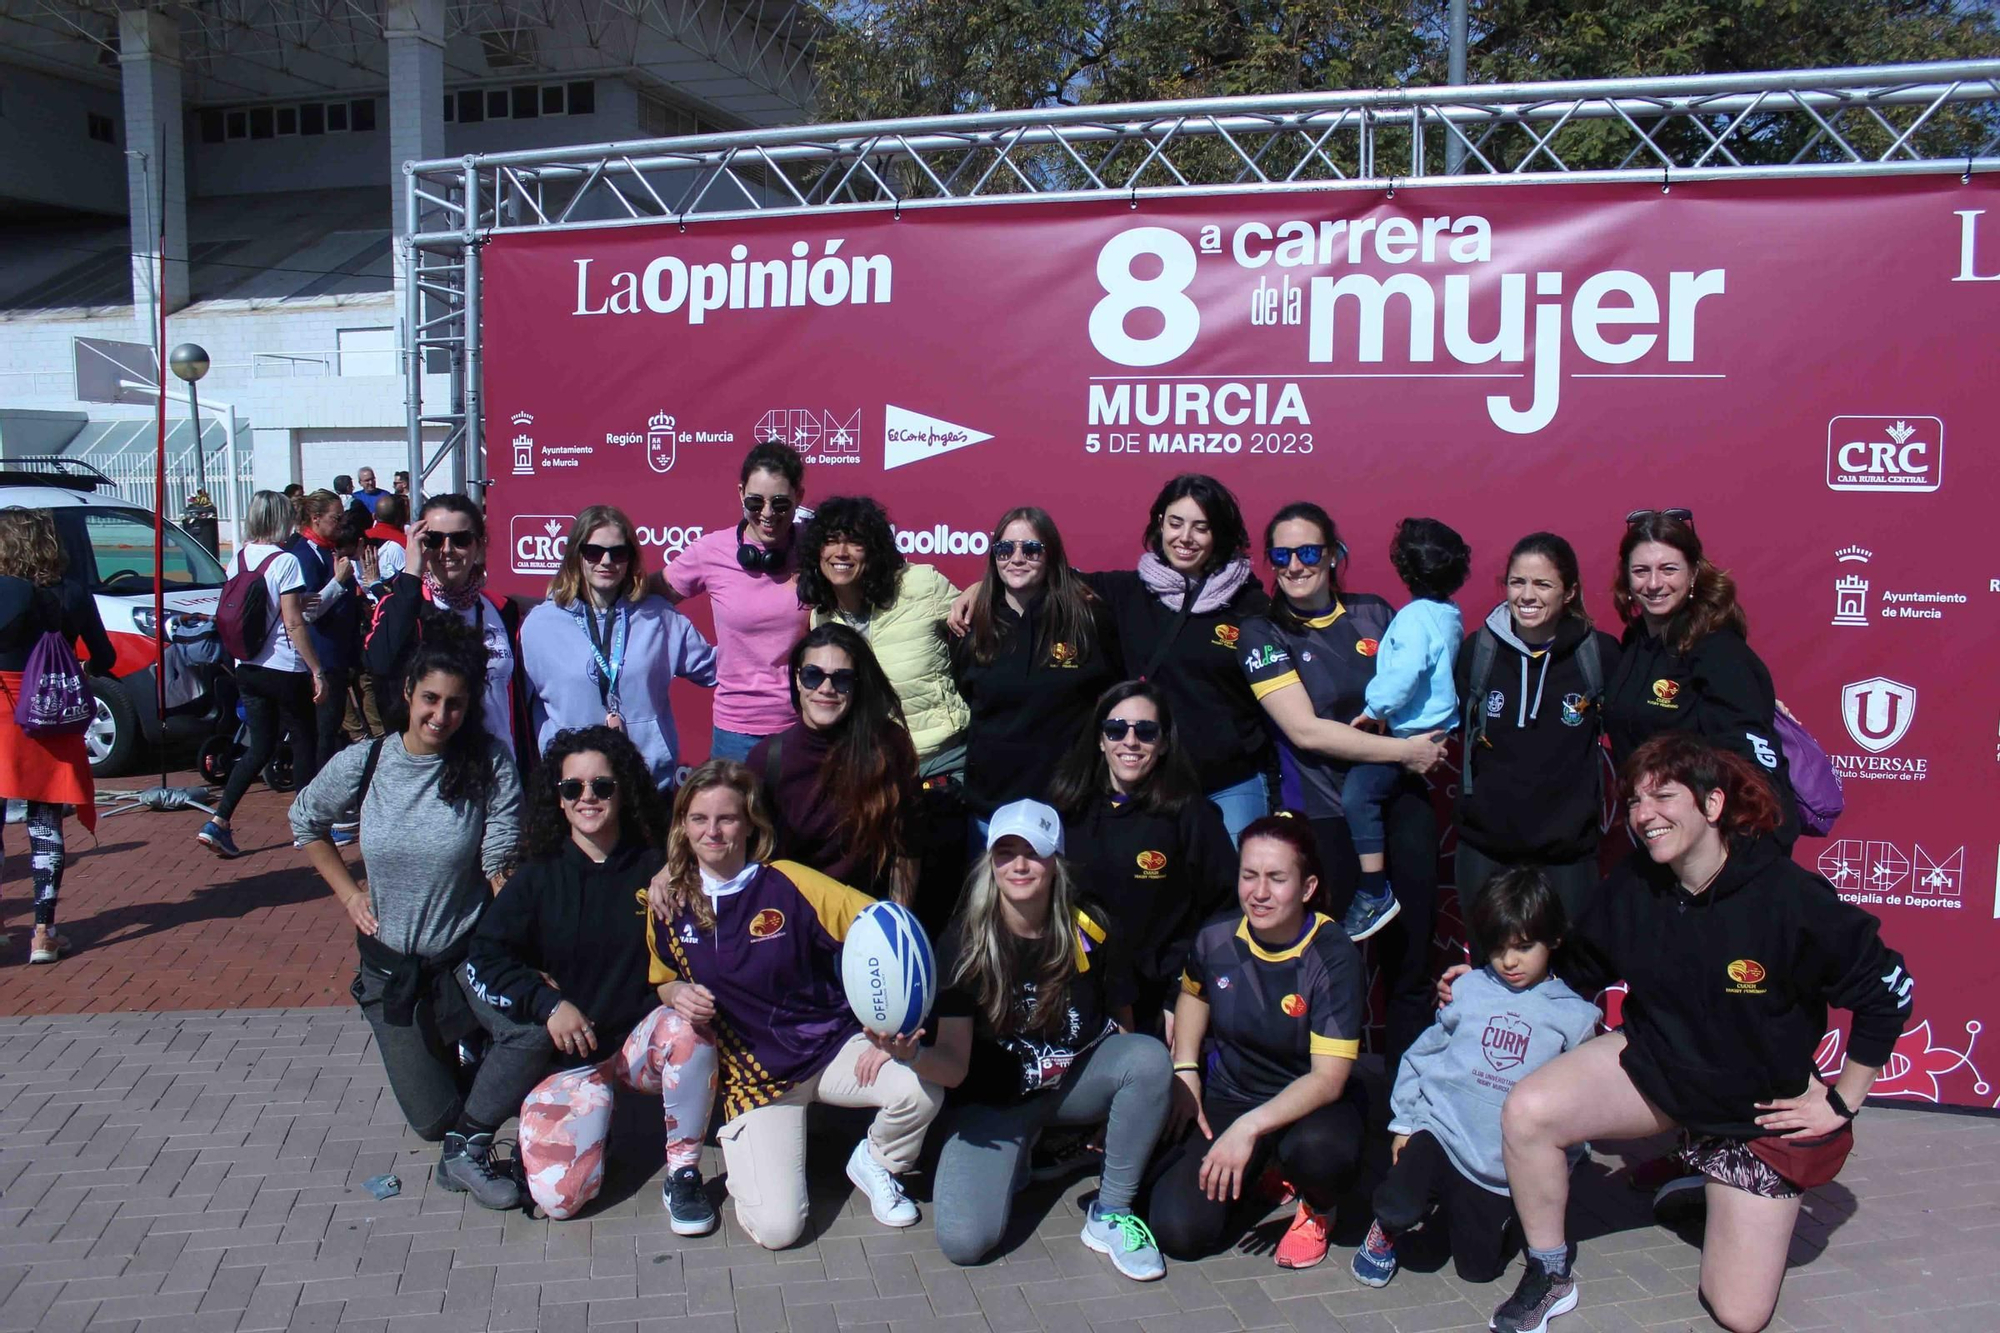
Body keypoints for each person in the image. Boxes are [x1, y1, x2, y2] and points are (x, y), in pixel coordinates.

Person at [1456, 734, 1913, 1333]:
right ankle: (1549, 1272)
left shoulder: (1788, 898)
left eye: (1663, 797)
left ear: (1713, 805)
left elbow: (1887, 989)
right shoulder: (1634, 884)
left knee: (1739, 1314)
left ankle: (1706, 1177)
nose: (1644, 815)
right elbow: (1574, 969)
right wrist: (1485, 981)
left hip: (1750, 1115)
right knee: (1529, 1112)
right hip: (1659, 1070)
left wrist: (1841, 1100)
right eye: (1635, 802)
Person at [642, 760, 944, 1250]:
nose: (713, 831)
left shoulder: (787, 882)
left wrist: (886, 1026)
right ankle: (754, 1148)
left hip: (831, 1051)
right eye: (699, 819)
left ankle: (877, 1160)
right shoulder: (666, 904)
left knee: (921, 1088)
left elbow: (885, 927)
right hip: (756, 1081)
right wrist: (676, 993)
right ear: (682, 825)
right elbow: (662, 977)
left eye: (727, 818)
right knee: (780, 1231)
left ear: (750, 824)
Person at [289, 616, 523, 1201]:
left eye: (455, 705)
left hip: (463, 954)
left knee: (531, 1037)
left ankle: (477, 1053)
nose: (440, 716)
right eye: (430, 700)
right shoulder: (368, 762)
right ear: (408, 693)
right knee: (430, 1120)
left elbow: (500, 864)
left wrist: (523, 959)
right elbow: (305, 821)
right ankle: (460, 1061)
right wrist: (349, 893)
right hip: (392, 969)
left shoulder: (487, 764)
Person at [460, 727, 720, 1227]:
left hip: (639, 1043)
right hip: (572, 1059)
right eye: (572, 788)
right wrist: (545, 1004)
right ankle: (580, 1138)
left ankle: (683, 1172)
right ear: (557, 801)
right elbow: (484, 956)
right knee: (561, 1202)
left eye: (602, 786)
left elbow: (725, 865)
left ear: (622, 791)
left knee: (689, 1027)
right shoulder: (537, 876)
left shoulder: (656, 868)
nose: (587, 798)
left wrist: (676, 866)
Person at [1234, 503, 1446, 1068]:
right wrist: (1406, 751)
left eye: (1309, 551)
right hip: (1323, 822)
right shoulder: (1262, 629)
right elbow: (1306, 731)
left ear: (1334, 555)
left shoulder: (1376, 612)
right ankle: (1326, 1111)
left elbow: (1427, 693)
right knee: (1327, 976)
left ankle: (1409, 1114)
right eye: (1282, 554)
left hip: (1400, 806)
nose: (1296, 565)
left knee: (1409, 967)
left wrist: (1424, 741)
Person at [926, 800, 1173, 1281]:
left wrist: (1119, 1112)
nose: (1019, 866)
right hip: (994, 1108)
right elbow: (954, 1065)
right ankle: (1029, 1152)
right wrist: (909, 1054)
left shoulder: (1092, 925)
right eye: (1006, 853)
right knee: (964, 1242)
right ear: (990, 862)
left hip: (1070, 1088)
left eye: (1033, 853)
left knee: (1147, 1059)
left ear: (1056, 860)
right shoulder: (962, 941)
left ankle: (1111, 1213)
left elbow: (1123, 1024)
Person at [1350, 868, 1600, 1290]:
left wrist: (1561, 1166)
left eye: (1524, 947)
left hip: (1497, 1165)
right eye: (1498, 947)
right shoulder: (1469, 988)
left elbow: (1577, 1108)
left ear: (1554, 939)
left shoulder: (1575, 1018)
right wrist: (1407, 1123)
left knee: (1478, 1271)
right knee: (1399, 1201)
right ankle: (1385, 1231)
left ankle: (1494, 1217)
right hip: (1441, 1132)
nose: (1509, 961)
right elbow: (1423, 1055)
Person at [1144, 813, 1368, 1270]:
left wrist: (1248, 1128)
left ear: (1306, 888)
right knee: (1179, 1232)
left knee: (1322, 1154)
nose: (1259, 892)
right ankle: (1265, 1173)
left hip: (1308, 1104)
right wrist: (1185, 1069)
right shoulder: (1216, 936)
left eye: (1276, 878)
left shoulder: (1333, 954)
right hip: (1231, 1093)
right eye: (1249, 875)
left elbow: (1327, 1080)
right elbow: (1193, 992)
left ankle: (1318, 1206)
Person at [1454, 534, 1623, 954]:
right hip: (1485, 849)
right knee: (1488, 979)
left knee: (1568, 979)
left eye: (1542, 585)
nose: (1526, 596)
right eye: (1517, 582)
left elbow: (1642, 724)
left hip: (1566, 853)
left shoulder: (1598, 655)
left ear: (1570, 592)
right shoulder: (1479, 651)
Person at [1046, 681, 1235, 1036]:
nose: (1130, 742)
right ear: (1100, 740)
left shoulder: (1191, 814)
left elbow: (1223, 910)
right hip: (1078, 994)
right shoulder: (1067, 810)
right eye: (1116, 730)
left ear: (1164, 743)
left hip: (1160, 1001)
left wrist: (1184, 994)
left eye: (1146, 732)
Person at [1603, 509, 1795, 848]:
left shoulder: (1718, 650)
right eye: (1641, 571)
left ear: (1693, 574)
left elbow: (1752, 764)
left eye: (1668, 569)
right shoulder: (1634, 642)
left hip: (1713, 850)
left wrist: (1746, 853)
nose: (1653, 583)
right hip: (1654, 839)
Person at [952, 507, 1121, 836]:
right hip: (989, 813)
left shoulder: (1087, 620)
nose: (1016, 558)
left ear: (1051, 555)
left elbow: (1116, 691)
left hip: (1069, 811)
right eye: (1004, 549)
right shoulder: (971, 625)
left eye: (1031, 549)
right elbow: (967, 692)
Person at [521, 505, 716, 789]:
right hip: (573, 788)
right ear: (577, 554)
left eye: (618, 552)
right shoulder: (540, 624)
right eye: (594, 552)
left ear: (631, 559)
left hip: (646, 784)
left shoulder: (659, 617)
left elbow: (717, 669)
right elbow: (518, 706)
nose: (606, 561)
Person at [1340, 517, 1469, 940]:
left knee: (1358, 795)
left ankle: (1374, 889)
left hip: (1408, 734)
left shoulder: (1415, 617)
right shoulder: (1449, 613)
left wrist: (1374, 708)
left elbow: (1405, 673)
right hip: (1429, 731)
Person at [0, 509, 115, 963]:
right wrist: (73, 668)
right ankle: (44, 931)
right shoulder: (72, 593)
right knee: (45, 821)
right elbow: (103, 656)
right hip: (50, 716)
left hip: (2, 708)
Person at [742, 625, 919, 911]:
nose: (826, 689)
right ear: (797, 679)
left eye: (842, 679)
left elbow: (907, 847)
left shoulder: (888, 747)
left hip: (867, 919)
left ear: (858, 685)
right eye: (813, 675)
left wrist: (898, 920)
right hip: (796, 920)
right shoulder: (767, 760)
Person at [198, 490, 327, 859]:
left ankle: (219, 820)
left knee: (260, 745)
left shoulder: (238, 557)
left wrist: (295, 602)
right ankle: (307, 826)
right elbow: (292, 621)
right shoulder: (285, 561)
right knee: (304, 739)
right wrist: (316, 669)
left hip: (247, 665)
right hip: (283, 666)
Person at [798, 496, 967, 776]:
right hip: (873, 771)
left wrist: (977, 590)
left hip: (942, 763)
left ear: (874, 549)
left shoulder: (921, 584)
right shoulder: (822, 617)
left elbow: (986, 620)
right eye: (830, 540)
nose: (841, 552)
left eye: (855, 542)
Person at [660, 442, 808, 761]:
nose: (767, 514)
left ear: (800, 497)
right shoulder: (711, 551)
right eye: (756, 502)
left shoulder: (817, 549)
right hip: (735, 732)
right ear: (741, 493)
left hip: (804, 727)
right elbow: (646, 594)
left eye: (780, 504)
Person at [364, 493, 532, 771]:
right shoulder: (406, 606)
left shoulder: (504, 610)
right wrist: (411, 573)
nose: (447, 549)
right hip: (431, 775)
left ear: (479, 546)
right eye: (434, 540)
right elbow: (381, 662)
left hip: (499, 771)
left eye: (461, 539)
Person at [288, 491, 362, 771]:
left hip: (339, 651)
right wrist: (339, 582)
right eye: (336, 518)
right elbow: (306, 610)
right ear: (316, 519)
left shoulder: (327, 549)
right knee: (323, 732)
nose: (341, 523)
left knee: (332, 728)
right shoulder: (303, 555)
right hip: (321, 655)